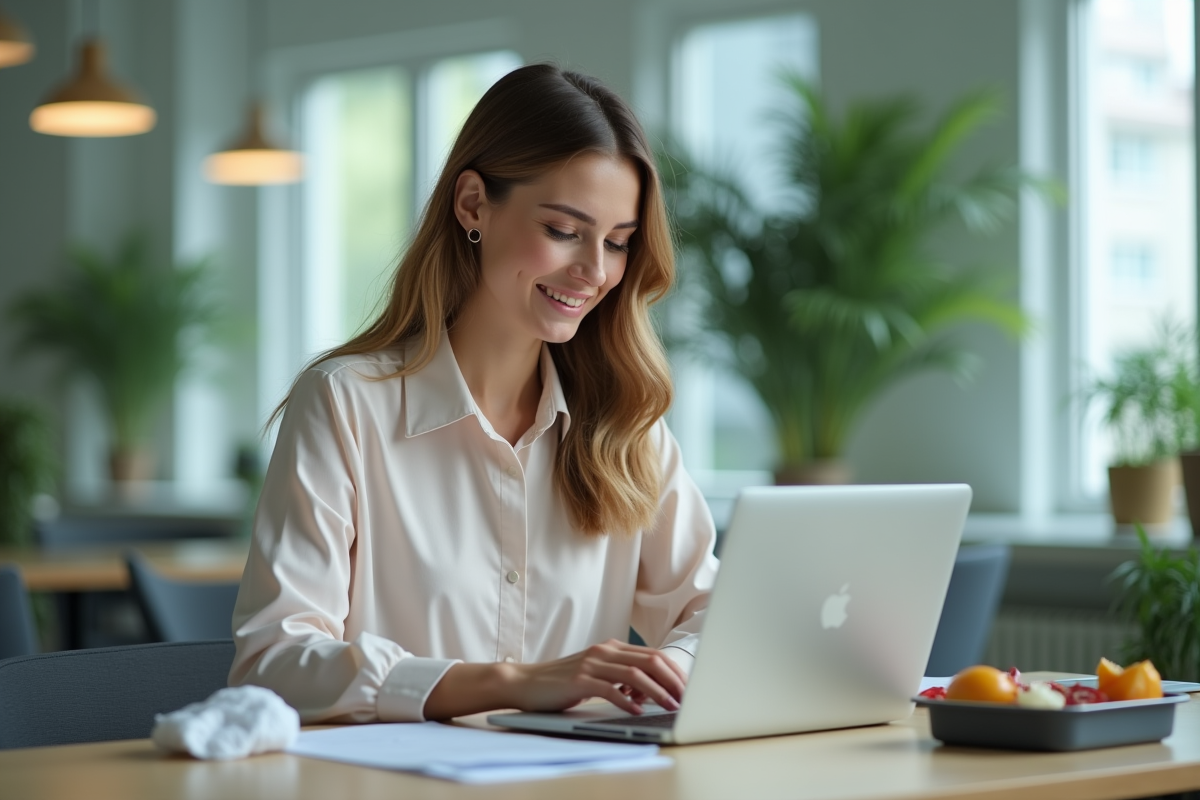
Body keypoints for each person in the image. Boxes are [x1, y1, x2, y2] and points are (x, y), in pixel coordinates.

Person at [229, 63, 719, 724]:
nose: (595, 271)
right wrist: (513, 683)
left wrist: (674, 669)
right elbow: (274, 663)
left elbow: (709, 611)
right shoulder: (346, 404)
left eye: (618, 243)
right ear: (472, 205)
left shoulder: (624, 425)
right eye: (563, 231)